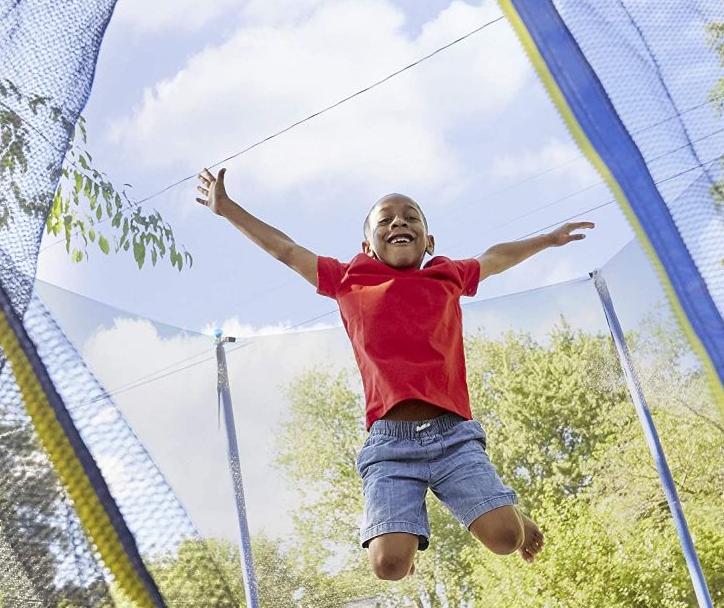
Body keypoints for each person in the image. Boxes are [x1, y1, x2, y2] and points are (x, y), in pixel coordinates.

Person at [197, 168, 594, 580]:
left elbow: (496, 258)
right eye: (385, 220)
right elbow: (286, 250)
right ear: (367, 245)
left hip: (453, 438)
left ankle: (508, 513)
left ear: (429, 242)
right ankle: (406, 528)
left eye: (410, 217)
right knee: (389, 567)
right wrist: (227, 209)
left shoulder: (447, 275)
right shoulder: (348, 279)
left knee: (506, 540)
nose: (399, 222)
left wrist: (549, 239)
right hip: (391, 448)